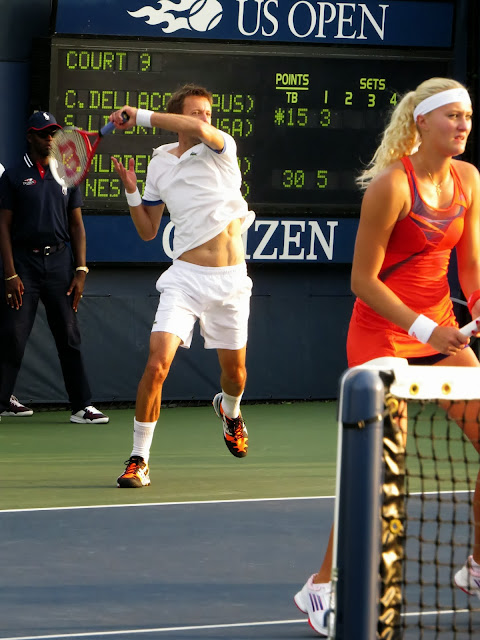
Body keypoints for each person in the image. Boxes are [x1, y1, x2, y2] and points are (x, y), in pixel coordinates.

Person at [294, 77, 480, 635]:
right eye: (452, 115)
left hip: (442, 335)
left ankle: (475, 568)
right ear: (421, 122)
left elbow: (468, 265)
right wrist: (426, 327)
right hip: (382, 338)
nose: (463, 125)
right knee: (373, 473)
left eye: (468, 116)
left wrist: (477, 302)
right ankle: (319, 587)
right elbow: (362, 281)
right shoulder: (390, 188)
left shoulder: (469, 179)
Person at [110, 84, 255, 488]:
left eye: (207, 113)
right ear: (179, 119)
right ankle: (139, 459)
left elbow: (205, 132)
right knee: (157, 364)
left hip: (230, 282)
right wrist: (132, 190)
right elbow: (147, 230)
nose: (205, 120)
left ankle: (230, 410)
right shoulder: (159, 165)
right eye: (195, 114)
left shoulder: (221, 147)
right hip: (185, 280)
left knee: (236, 376)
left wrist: (138, 116)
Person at [0, 111, 109, 424]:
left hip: (60, 263)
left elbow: (77, 226)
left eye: (54, 133)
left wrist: (81, 270)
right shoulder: (14, 175)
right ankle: (2, 401)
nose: (50, 139)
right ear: (30, 137)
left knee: (69, 334)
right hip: (23, 264)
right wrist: (9, 273)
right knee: (13, 335)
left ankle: (82, 406)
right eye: (44, 134)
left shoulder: (67, 170)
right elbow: (3, 227)